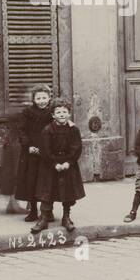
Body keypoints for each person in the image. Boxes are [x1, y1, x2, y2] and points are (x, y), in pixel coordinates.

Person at [31, 98, 85, 234]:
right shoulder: (47, 130)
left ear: (69, 114)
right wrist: (54, 163)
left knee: (67, 193)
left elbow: (76, 147)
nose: (61, 114)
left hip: (68, 165)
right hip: (50, 166)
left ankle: (66, 217)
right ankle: (43, 219)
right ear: (53, 115)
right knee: (46, 193)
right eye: (58, 112)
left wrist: (68, 162)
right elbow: (45, 149)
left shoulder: (73, 130)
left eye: (64, 112)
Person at [13, 84, 54, 223]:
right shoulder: (27, 113)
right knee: (31, 181)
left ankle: (48, 211)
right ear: (34, 99)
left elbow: (57, 127)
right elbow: (22, 130)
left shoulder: (52, 113)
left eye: (44, 97)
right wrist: (28, 146)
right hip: (31, 153)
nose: (42, 100)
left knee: (48, 182)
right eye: (38, 98)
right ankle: (33, 211)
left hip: (47, 153)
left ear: (49, 98)